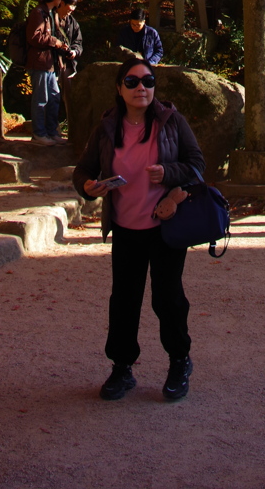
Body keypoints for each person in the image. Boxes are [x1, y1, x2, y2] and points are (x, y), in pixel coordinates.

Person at [72, 59, 204, 403]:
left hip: (165, 226)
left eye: (148, 80)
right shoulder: (107, 127)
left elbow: (196, 166)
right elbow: (84, 169)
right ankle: (122, 367)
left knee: (167, 298)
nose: (141, 87)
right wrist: (88, 186)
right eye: (131, 82)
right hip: (126, 228)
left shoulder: (171, 121)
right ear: (119, 88)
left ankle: (179, 361)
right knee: (124, 300)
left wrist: (170, 176)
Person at [25, 0, 70, 144]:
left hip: (49, 64)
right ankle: (39, 133)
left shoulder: (50, 13)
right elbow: (34, 37)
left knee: (54, 97)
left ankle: (52, 132)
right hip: (39, 63)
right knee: (41, 99)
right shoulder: (38, 12)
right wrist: (54, 41)